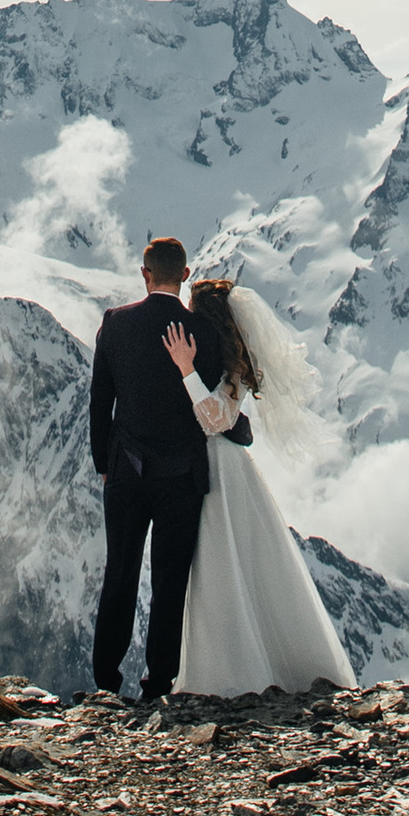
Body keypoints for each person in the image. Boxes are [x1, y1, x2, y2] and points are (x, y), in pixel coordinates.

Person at [163, 274, 354, 699]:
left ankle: (231, 674)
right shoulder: (230, 360)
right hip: (218, 467)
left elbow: (216, 419)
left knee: (223, 562)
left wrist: (186, 369)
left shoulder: (233, 367)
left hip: (222, 472)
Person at [88, 234, 230, 701]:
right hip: (182, 477)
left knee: (121, 573)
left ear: (144, 274)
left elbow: (100, 402)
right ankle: (159, 683)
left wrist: (102, 462)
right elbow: (209, 405)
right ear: (185, 275)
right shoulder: (205, 333)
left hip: (126, 471)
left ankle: (106, 681)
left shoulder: (116, 323)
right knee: (170, 580)